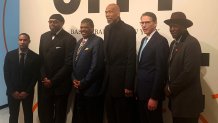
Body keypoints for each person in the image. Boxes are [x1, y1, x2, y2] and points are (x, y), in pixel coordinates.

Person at [164, 12, 205, 123]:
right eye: (170, 26)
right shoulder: (173, 44)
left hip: (188, 104)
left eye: (175, 26)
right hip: (177, 102)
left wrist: (170, 88)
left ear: (184, 27)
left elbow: (189, 72)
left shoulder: (192, 43)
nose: (171, 29)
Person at [38, 14, 76, 123]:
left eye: (55, 22)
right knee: (46, 115)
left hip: (61, 85)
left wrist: (53, 81)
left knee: (60, 115)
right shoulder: (43, 36)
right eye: (50, 21)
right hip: (45, 84)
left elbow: (68, 64)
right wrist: (44, 78)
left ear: (62, 23)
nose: (52, 24)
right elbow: (41, 60)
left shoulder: (69, 39)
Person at [104, 3, 136, 123]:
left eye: (110, 12)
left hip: (122, 85)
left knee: (123, 117)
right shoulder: (106, 29)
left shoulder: (129, 30)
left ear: (118, 13)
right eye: (106, 12)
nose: (107, 15)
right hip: (108, 84)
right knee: (110, 117)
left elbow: (131, 59)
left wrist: (128, 85)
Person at [135, 12, 169, 123]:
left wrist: (154, 97)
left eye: (147, 22)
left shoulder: (160, 41)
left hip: (151, 95)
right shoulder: (144, 40)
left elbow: (161, 71)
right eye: (142, 22)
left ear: (155, 24)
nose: (144, 25)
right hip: (141, 93)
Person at [71, 18, 105, 123]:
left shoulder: (98, 41)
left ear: (92, 28)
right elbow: (74, 64)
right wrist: (74, 79)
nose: (83, 30)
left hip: (91, 89)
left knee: (92, 118)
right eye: (81, 27)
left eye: (86, 27)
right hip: (79, 88)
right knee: (80, 117)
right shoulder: (79, 41)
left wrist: (84, 82)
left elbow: (96, 66)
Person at [4, 33, 40, 123]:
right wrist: (12, 91)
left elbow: (35, 76)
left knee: (28, 115)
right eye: (20, 40)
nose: (22, 42)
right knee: (13, 115)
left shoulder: (35, 57)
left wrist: (27, 91)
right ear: (18, 41)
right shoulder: (9, 55)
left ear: (29, 41)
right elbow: (6, 74)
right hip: (12, 92)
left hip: (27, 93)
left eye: (25, 40)